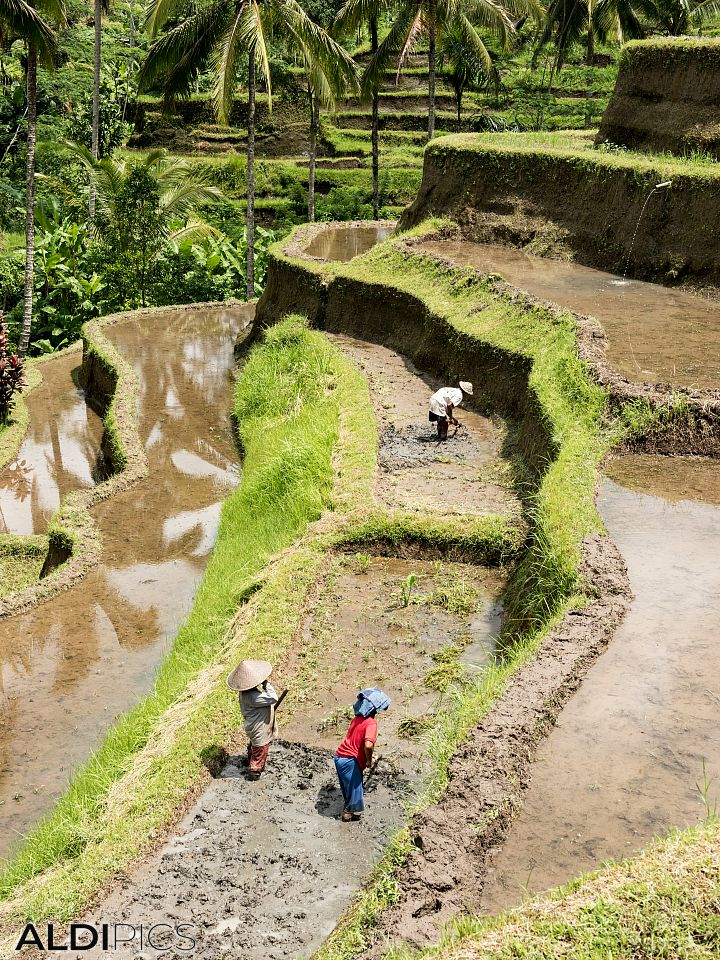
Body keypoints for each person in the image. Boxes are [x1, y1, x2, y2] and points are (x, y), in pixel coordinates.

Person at [334, 687, 390, 822]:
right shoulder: (371, 723)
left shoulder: (356, 720)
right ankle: (348, 813)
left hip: (339, 756)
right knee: (355, 788)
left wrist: (368, 756)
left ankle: (349, 808)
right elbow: (368, 745)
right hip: (349, 760)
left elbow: (357, 742)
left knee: (347, 786)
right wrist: (369, 761)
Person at [227, 659, 287, 780]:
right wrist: (267, 684)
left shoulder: (246, 693)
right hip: (258, 729)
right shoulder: (253, 697)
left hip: (253, 726)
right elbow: (273, 698)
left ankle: (250, 760)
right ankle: (254, 773)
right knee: (261, 750)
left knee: (256, 746)